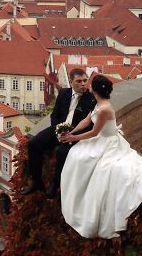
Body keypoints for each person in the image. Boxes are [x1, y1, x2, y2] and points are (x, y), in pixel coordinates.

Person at [60, 75, 142, 239]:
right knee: (76, 154)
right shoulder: (98, 104)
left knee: (92, 162)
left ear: (94, 89)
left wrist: (72, 139)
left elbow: (94, 132)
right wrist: (71, 132)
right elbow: (87, 121)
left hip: (107, 143)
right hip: (99, 140)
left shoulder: (104, 109)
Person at [22, 68, 96, 198]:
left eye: (85, 80)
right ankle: (36, 181)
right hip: (59, 129)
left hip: (76, 133)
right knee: (33, 143)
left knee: (61, 152)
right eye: (79, 81)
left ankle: (55, 185)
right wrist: (57, 131)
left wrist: (71, 136)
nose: (83, 84)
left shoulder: (91, 99)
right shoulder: (64, 93)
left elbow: (90, 124)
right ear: (71, 81)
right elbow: (55, 115)